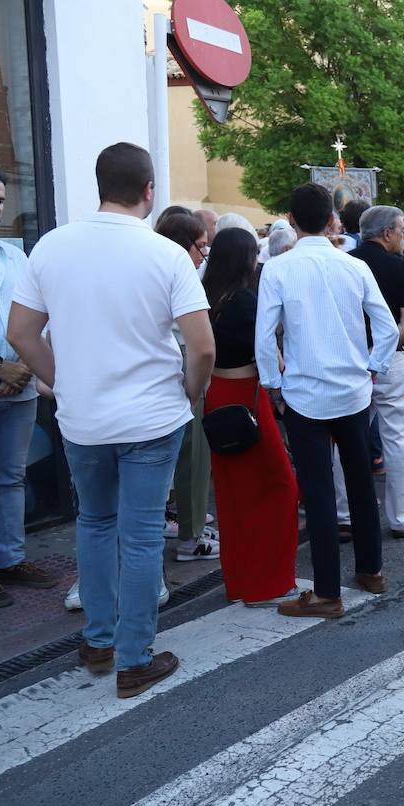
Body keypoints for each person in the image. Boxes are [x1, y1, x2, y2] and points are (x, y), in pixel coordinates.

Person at [7, 142, 215, 698]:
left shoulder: (52, 247)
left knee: (95, 525)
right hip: (152, 416)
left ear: (99, 185)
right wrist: (189, 394)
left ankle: (98, 640)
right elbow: (202, 348)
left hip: (83, 420)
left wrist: (62, 379)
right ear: (149, 191)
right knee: (142, 537)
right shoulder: (165, 255)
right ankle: (134, 659)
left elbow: (20, 333)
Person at [255, 182, 398, 619]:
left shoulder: (278, 270)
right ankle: (371, 570)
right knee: (360, 483)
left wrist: (273, 385)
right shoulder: (353, 266)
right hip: (353, 390)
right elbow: (388, 329)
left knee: (318, 492)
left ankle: (327, 591)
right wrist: (372, 367)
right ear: (331, 220)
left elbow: (264, 337)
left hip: (304, 393)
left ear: (292, 221)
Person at [200, 227, 300, 605]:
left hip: (217, 394)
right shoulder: (245, 300)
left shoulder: (208, 295)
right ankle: (268, 583)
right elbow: (263, 353)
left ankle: (241, 580)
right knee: (279, 486)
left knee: (232, 495)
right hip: (247, 394)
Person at [0, 169, 57, 609]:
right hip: (4, 374)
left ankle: (10, 559)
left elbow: (38, 315)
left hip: (18, 386)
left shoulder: (14, 257)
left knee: (10, 478)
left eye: (1, 199)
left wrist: (27, 368)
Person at [345, 204, 404, 539]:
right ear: (387, 233)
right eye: (402, 230)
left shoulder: (345, 263)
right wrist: (383, 352)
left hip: (350, 360)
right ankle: (401, 517)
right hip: (390, 358)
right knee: (397, 439)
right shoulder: (398, 267)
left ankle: (344, 513)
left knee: (345, 438)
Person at [155, 211, 220, 562]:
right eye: (201, 246)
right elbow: (203, 345)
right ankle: (190, 537)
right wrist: (196, 389)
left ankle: (185, 526)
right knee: (192, 454)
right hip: (182, 359)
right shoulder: (179, 269)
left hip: (162, 363)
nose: (203, 255)